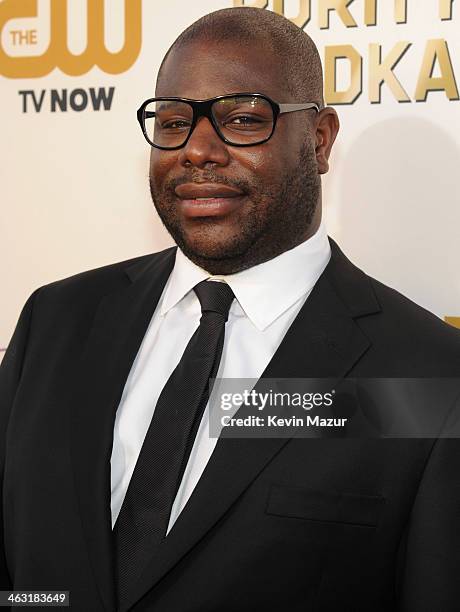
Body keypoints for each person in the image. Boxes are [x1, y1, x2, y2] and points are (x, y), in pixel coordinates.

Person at [1, 6, 460, 612]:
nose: (197, 151)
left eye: (243, 119)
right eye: (172, 122)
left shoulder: (427, 376)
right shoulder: (55, 322)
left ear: (319, 140)